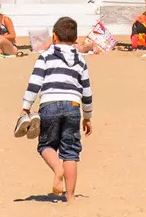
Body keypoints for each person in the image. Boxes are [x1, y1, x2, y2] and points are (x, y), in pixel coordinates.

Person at [21, 17, 93, 203]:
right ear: (75, 39)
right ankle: (70, 197)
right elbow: (87, 91)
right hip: (73, 106)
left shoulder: (45, 56)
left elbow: (35, 83)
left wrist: (26, 107)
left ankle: (57, 170)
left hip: (49, 104)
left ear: (54, 37)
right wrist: (87, 116)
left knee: (45, 145)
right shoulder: (81, 60)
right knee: (70, 152)